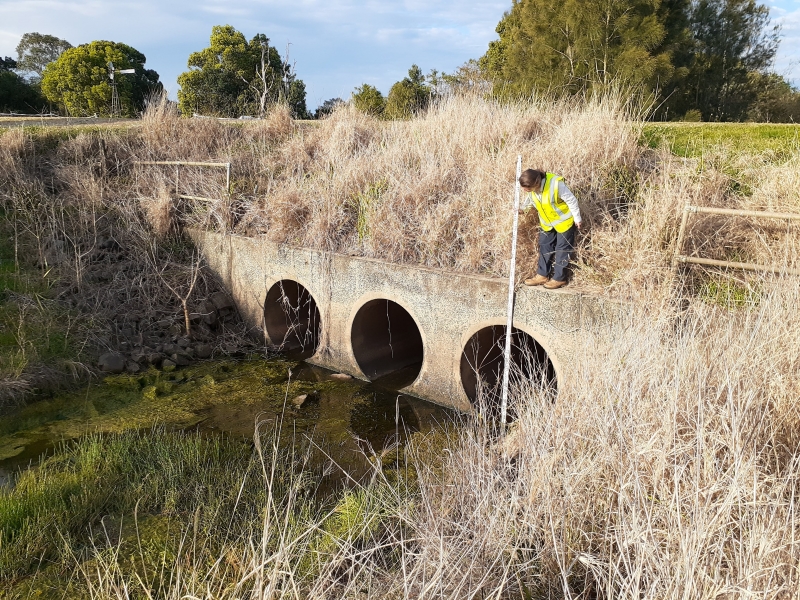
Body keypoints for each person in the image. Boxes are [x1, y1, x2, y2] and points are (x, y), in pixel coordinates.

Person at [518, 169, 582, 289]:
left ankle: (559, 278)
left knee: (562, 249)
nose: (525, 191)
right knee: (544, 246)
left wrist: (577, 218)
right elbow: (531, 199)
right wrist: (523, 209)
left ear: (537, 182)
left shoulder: (556, 184)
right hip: (547, 223)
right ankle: (542, 275)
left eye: (527, 189)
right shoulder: (531, 188)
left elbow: (571, 200)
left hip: (564, 222)